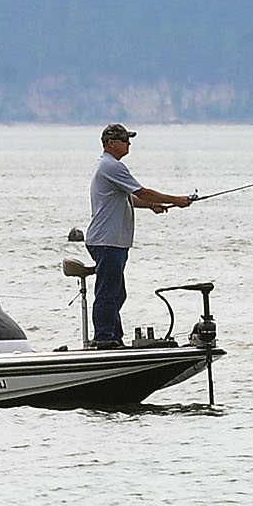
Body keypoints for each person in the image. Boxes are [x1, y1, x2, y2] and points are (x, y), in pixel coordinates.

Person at [86, 123, 193, 347]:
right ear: (111, 143)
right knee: (108, 293)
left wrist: (152, 205)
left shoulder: (107, 166)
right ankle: (105, 339)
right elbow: (142, 191)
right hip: (107, 241)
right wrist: (177, 200)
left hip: (111, 241)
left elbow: (129, 198)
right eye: (125, 140)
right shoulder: (112, 166)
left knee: (117, 293)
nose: (129, 144)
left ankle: (114, 338)